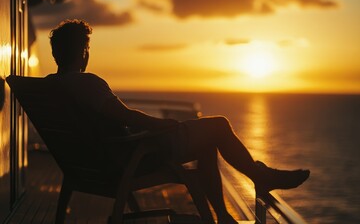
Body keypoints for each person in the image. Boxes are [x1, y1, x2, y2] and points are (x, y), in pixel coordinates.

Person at [47, 19, 310, 224]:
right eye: (87, 48)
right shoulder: (88, 83)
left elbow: (112, 121)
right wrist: (162, 124)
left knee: (207, 143)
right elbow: (127, 117)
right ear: (83, 51)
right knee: (219, 125)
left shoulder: (51, 86)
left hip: (94, 162)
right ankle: (260, 177)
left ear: (57, 53)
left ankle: (224, 215)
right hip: (134, 157)